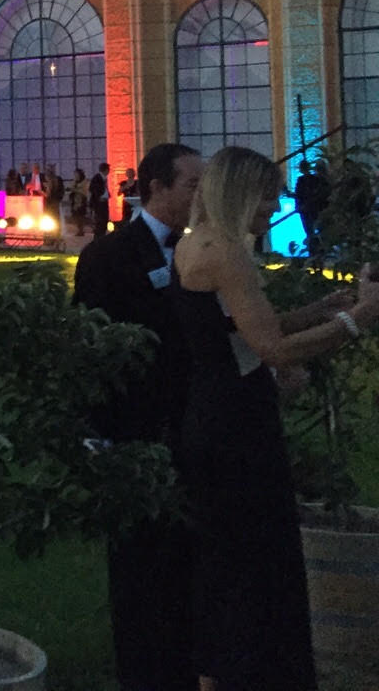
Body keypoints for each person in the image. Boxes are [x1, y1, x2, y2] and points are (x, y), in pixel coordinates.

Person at [172, 146, 379, 691]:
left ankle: (217, 673)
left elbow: (237, 327)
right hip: (238, 428)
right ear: (240, 193)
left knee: (223, 566)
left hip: (210, 417)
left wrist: (317, 311)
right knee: (257, 570)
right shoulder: (228, 254)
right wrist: (359, 319)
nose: (275, 206)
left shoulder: (195, 244)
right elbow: (273, 349)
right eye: (268, 195)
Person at [73, 141, 204, 691]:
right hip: (134, 431)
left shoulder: (200, 250)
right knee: (137, 566)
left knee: (186, 562)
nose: (201, 195)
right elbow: (89, 351)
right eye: (192, 185)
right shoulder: (109, 256)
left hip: (193, 427)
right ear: (156, 188)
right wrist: (98, 434)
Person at [90, 162, 112, 235]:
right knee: (100, 221)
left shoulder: (104, 178)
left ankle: (102, 235)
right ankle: (99, 236)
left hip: (104, 202)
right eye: (108, 169)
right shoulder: (97, 178)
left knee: (104, 220)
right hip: (99, 203)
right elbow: (93, 189)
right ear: (106, 170)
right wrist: (99, 197)